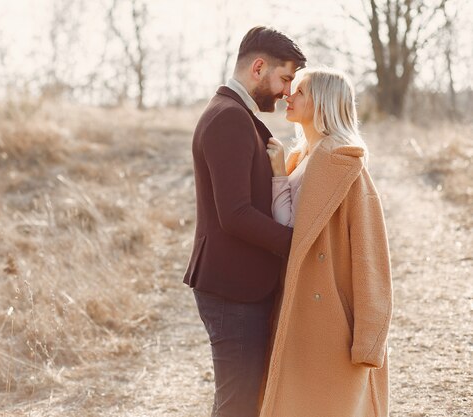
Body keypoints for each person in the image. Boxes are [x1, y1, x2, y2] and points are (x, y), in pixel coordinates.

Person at [182, 26, 306, 417]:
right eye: (285, 78)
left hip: (238, 286)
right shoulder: (228, 118)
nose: (287, 91)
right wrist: (298, 243)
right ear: (258, 67)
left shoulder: (233, 114)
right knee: (238, 407)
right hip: (233, 290)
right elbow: (234, 215)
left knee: (243, 402)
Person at [261, 68, 393, 417]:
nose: (289, 95)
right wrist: (277, 172)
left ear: (323, 102)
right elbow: (289, 228)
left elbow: (371, 258)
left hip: (331, 323)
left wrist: (369, 339)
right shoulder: (302, 159)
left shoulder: (347, 168)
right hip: (297, 310)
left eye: (300, 91)